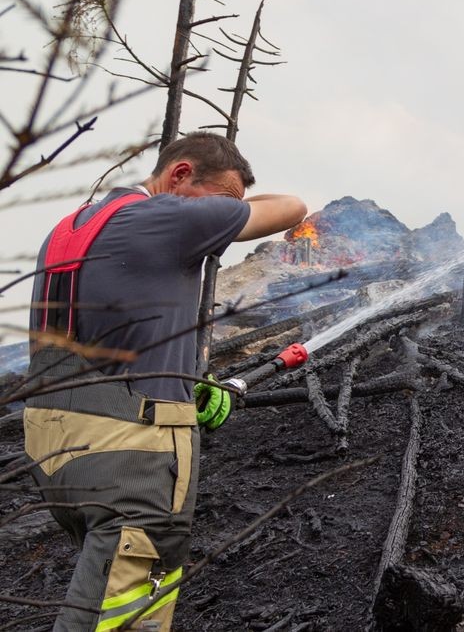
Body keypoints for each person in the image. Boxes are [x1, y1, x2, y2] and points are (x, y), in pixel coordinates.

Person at [23, 132, 307, 631]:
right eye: (222, 200)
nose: (221, 218)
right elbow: (292, 208)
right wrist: (230, 206)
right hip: (129, 452)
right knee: (117, 610)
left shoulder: (73, 226)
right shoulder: (169, 216)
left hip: (57, 443)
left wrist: (181, 386)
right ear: (179, 175)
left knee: (117, 585)